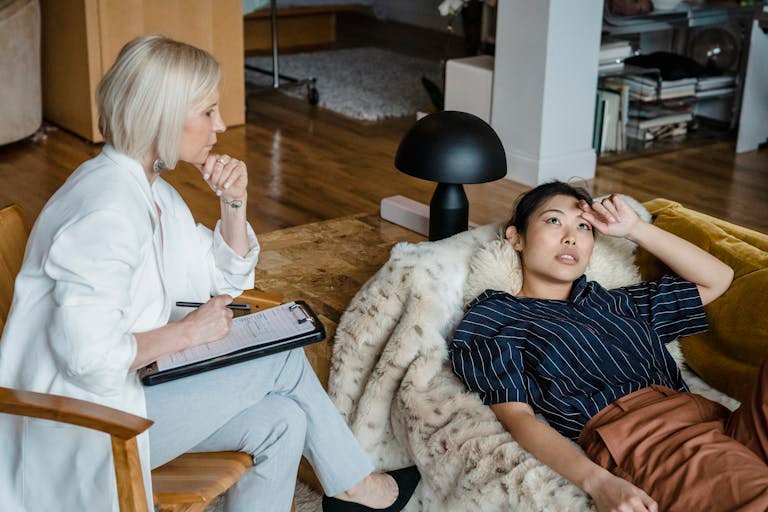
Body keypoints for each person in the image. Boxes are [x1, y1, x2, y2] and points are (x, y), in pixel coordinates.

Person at [0, 34, 418, 512]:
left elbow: (225, 281)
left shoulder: (151, 192)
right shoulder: (107, 212)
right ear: (160, 114)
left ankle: (350, 486)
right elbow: (87, 359)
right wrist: (186, 334)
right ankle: (356, 489)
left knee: (283, 419)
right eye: (207, 112)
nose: (220, 125)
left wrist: (233, 203)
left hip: (131, 394)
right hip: (87, 428)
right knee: (281, 360)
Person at [450, 181, 768, 511]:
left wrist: (635, 229)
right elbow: (518, 419)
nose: (570, 236)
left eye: (584, 226)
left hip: (716, 420)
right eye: (554, 221)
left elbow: (717, 278)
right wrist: (600, 483)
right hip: (649, 440)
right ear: (516, 237)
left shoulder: (614, 301)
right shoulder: (498, 316)